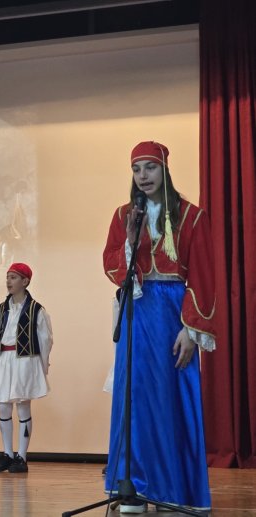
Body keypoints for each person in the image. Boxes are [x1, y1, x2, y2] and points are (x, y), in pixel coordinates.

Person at [103, 141, 216, 513]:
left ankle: (171, 489)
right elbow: (111, 264)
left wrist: (190, 329)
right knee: (133, 397)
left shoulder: (192, 216)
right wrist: (130, 240)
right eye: (136, 169)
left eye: (150, 167)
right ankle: (132, 486)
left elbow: (203, 275)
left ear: (164, 170)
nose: (143, 176)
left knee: (168, 400)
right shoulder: (124, 215)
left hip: (172, 316)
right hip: (136, 313)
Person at [0, 262, 53, 473]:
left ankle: (21, 456)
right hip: (5, 358)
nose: (8, 281)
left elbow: (45, 339)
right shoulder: (1, 309)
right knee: (3, 406)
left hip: (25, 360)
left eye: (13, 277)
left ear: (25, 281)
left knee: (23, 406)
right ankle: (7, 453)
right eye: (8, 277)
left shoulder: (36, 310)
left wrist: (42, 366)